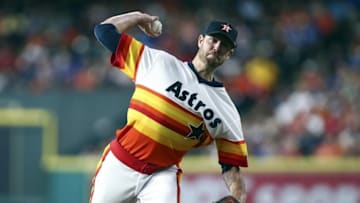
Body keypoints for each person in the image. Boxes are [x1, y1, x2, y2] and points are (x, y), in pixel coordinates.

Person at [90, 11, 248, 203]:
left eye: (224, 46)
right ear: (200, 40)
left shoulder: (227, 111)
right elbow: (104, 31)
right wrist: (139, 17)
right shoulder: (158, 62)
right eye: (213, 40)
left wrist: (237, 198)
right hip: (120, 162)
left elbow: (231, 167)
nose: (217, 47)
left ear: (229, 54)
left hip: (161, 174)